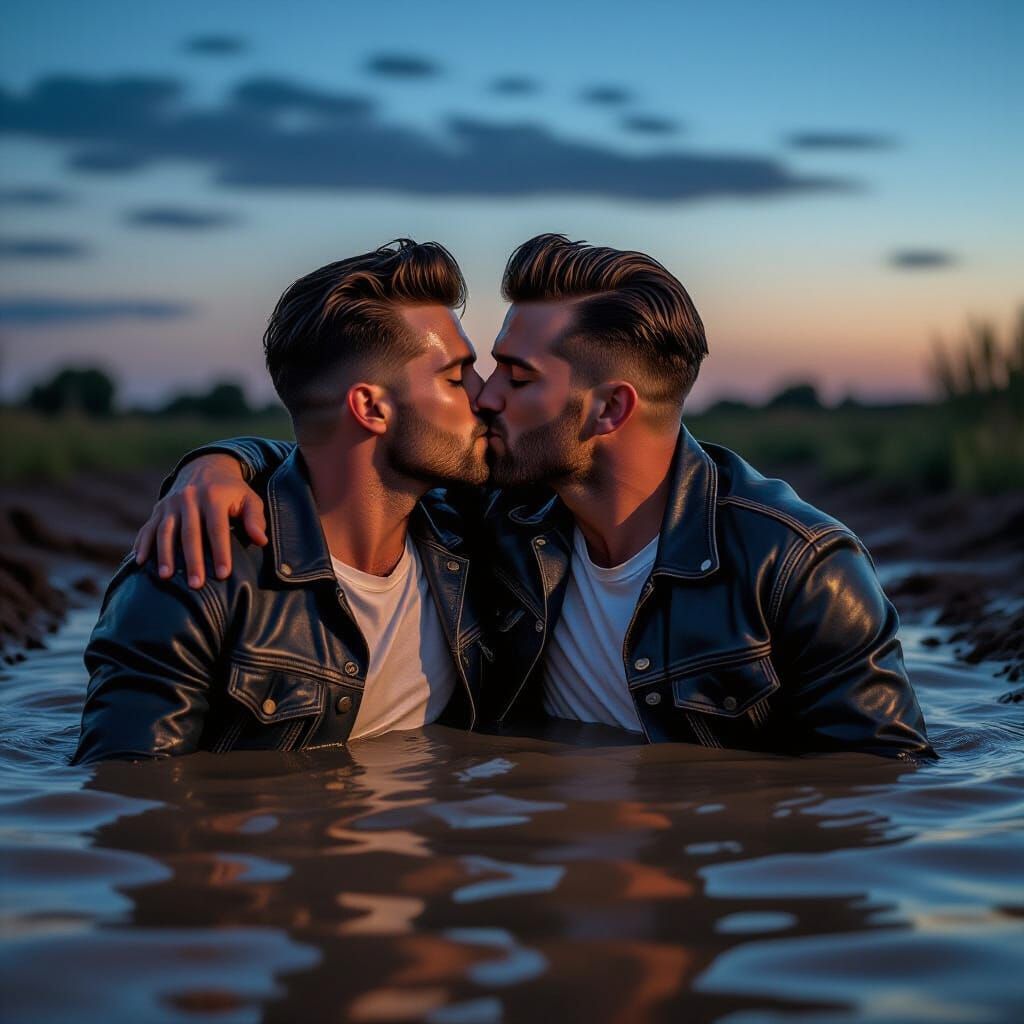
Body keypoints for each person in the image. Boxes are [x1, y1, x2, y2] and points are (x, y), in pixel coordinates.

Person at [137, 234, 935, 761]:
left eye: (515, 377)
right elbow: (344, 469)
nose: (484, 396)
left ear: (608, 409)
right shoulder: (500, 521)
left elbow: (877, 798)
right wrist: (216, 465)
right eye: (475, 372)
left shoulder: (797, 567)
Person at [73, 239, 493, 764]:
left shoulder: (472, 541)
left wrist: (214, 459)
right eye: (457, 377)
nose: (487, 395)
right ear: (370, 407)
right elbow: (128, 801)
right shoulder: (194, 575)